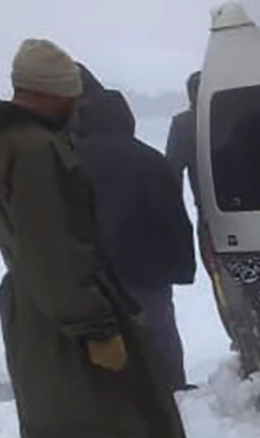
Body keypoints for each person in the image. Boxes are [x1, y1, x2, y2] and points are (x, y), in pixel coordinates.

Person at [0, 39, 206, 438]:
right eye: (70, 95)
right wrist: (94, 325)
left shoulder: (1, 145)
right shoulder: (36, 151)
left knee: (104, 408)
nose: (78, 105)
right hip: (64, 304)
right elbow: (53, 247)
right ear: (50, 94)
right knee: (80, 417)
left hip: (44, 299)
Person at [72, 89, 196, 391]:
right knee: (158, 334)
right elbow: (175, 219)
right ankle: (170, 392)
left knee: (102, 339)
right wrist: (182, 267)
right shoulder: (150, 159)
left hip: (92, 274)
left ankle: (114, 395)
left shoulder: (71, 161)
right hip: (147, 271)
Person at [165, 70, 251, 376]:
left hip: (214, 220)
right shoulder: (243, 115)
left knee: (226, 288)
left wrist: (174, 224)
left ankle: (246, 343)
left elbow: (171, 177)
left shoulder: (185, 124)